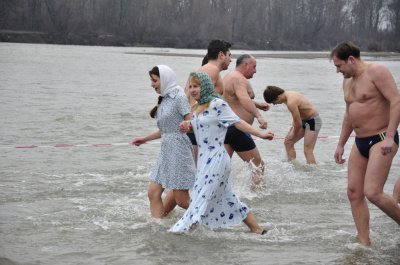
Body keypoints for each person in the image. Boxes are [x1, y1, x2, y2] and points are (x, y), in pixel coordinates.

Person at [170, 72, 274, 234]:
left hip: (217, 161)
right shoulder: (198, 108)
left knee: (201, 197)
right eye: (190, 87)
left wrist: (261, 134)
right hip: (204, 162)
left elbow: (238, 122)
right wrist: (188, 125)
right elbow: (204, 126)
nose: (192, 90)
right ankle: (257, 229)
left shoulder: (217, 104)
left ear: (204, 86)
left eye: (196, 86)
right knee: (228, 198)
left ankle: (182, 231)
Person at [331, 41, 400, 246]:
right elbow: (349, 113)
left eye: (339, 65)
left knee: (373, 192)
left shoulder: (377, 71)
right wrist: (341, 143)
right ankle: (364, 242)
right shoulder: (348, 80)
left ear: (351, 59)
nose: (337, 71)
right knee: (354, 193)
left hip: (381, 139)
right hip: (360, 142)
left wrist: (390, 135)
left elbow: (396, 101)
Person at [131, 65, 196, 218]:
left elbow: (191, 122)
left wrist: (188, 125)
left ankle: (210, 217)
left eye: (154, 80)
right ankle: (157, 228)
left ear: (165, 79)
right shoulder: (165, 99)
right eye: (151, 81)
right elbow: (166, 130)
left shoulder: (179, 97)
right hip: (166, 150)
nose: (152, 84)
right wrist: (144, 139)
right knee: (153, 193)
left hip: (179, 150)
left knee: (182, 200)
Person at [222, 54, 270, 185]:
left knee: (221, 169)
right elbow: (243, 98)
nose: (255, 70)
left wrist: (257, 104)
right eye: (254, 66)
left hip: (227, 129)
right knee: (258, 166)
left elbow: (234, 100)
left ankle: (215, 195)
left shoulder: (229, 77)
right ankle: (257, 194)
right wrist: (259, 116)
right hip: (237, 130)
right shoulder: (239, 79)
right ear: (245, 65)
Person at [186, 39, 233, 160]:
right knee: (198, 171)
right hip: (199, 126)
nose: (231, 59)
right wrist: (192, 121)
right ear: (221, 55)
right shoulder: (210, 69)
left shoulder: (211, 70)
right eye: (229, 55)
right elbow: (192, 96)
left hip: (204, 125)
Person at [263, 85, 322, 164]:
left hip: (313, 121)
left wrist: (294, 132)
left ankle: (313, 173)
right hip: (303, 120)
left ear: (277, 98)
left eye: (274, 102)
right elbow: (296, 118)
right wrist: (293, 128)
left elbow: (298, 123)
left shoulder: (291, 101)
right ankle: (293, 166)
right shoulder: (286, 96)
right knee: (288, 142)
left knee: (307, 150)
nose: (274, 104)